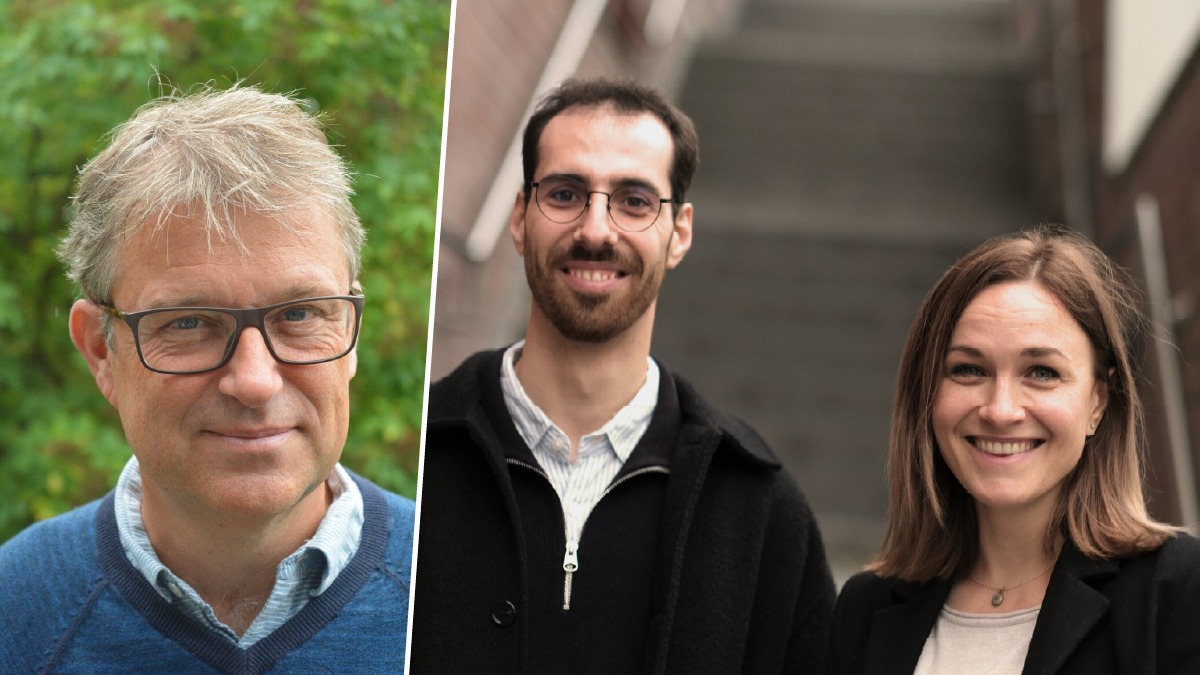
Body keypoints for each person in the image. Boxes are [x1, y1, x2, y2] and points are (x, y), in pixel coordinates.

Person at [411, 77, 835, 673]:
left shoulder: (761, 511)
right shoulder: (414, 458)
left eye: (634, 200)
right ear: (518, 217)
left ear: (679, 232)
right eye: (564, 193)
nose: (596, 230)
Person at [0, 86, 415, 674]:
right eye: (189, 323)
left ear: (351, 331)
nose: (254, 382)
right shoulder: (15, 616)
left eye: (299, 315)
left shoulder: (463, 587)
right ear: (100, 350)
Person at [827, 225, 1200, 674]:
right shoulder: (865, 609)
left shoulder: (1176, 592)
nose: (1000, 410)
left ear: (1098, 401)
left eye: (1041, 372)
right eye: (969, 369)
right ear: (927, 394)